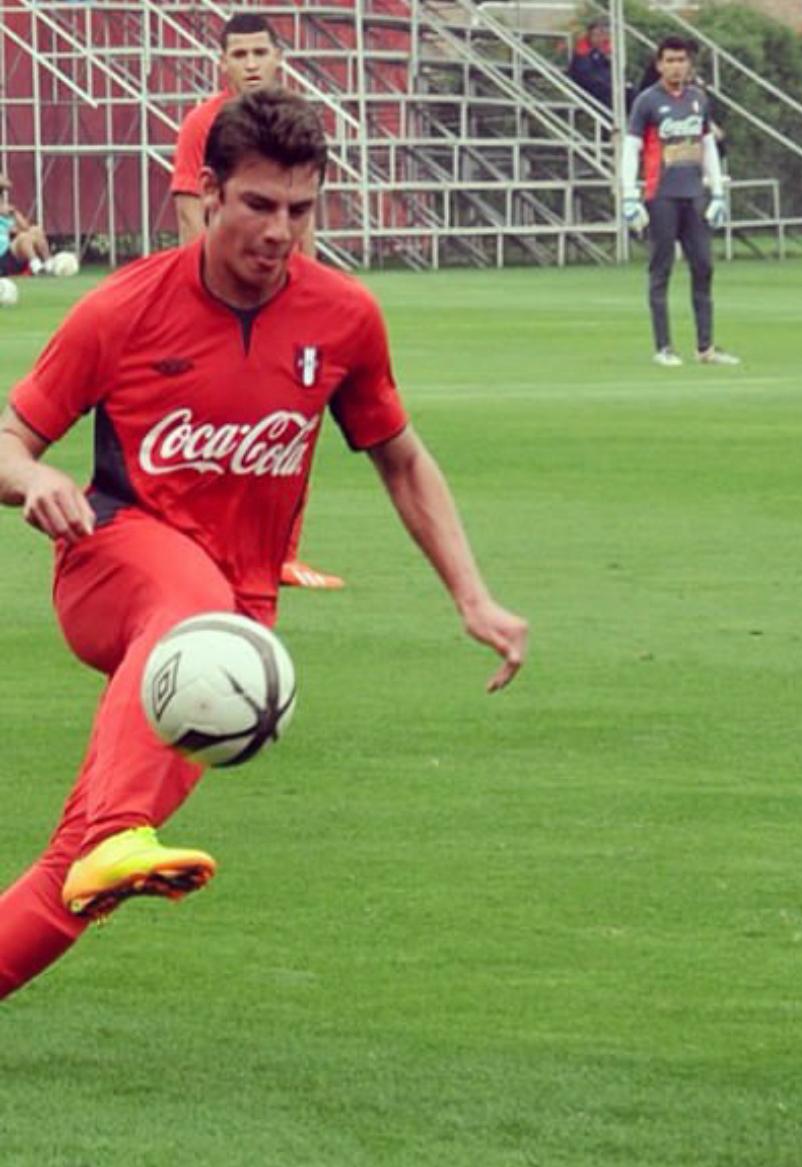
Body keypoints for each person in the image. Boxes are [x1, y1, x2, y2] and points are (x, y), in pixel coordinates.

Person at [0, 88, 528, 999]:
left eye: (300, 209)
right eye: (257, 204)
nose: (281, 230)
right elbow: (8, 437)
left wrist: (472, 595)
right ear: (207, 194)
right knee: (182, 625)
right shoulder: (121, 310)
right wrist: (37, 477)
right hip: (112, 561)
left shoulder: (345, 318)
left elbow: (400, 459)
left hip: (238, 631)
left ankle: (103, 842)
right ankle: (122, 823)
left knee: (83, 872)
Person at [171, 12, 338, 589]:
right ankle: (198, 543)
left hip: (284, 301)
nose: (249, 65)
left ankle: (282, 552)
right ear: (223, 63)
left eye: (258, 53)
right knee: (213, 424)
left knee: (290, 426)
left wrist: (312, 293)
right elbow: (191, 210)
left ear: (278, 58)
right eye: (237, 55)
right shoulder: (203, 124)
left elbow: (303, 217)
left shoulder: (297, 123)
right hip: (218, 300)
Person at [621, 36, 739, 368]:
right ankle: (664, 348)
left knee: (704, 266)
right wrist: (630, 195)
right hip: (661, 196)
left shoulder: (698, 99)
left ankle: (706, 347)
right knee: (661, 269)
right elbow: (631, 149)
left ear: (689, 64)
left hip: (693, 195)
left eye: (681, 60)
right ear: (659, 65)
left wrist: (717, 192)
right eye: (669, 60)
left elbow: (708, 147)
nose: (676, 66)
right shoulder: (647, 101)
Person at [0, 172, 53, 276]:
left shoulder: (8, 210)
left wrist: (14, 213)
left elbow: (25, 228)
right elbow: (6, 183)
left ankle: (49, 265)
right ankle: (37, 268)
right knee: (23, 237)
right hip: (2, 257)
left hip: (12, 252)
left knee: (36, 230)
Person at [567, 18, 616, 112]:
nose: (600, 39)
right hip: (587, 89)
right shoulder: (582, 51)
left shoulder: (606, 51)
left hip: (605, 87)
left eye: (603, 35)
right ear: (589, 36)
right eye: (597, 35)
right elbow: (585, 75)